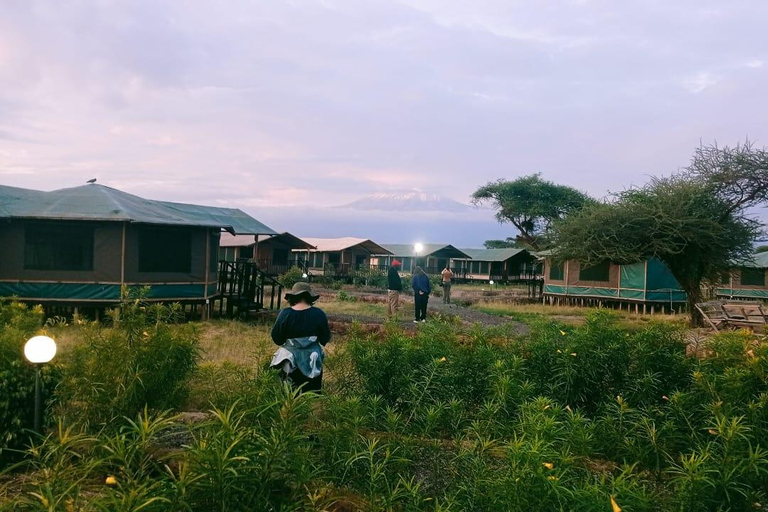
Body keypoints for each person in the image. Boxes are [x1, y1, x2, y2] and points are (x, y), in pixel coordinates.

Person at [270, 282, 331, 393]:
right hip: (313, 360)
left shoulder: (285, 314)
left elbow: (277, 338)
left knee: (289, 396)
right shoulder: (319, 314)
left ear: (293, 297)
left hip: (289, 360)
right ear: (310, 297)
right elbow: (325, 338)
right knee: (312, 396)